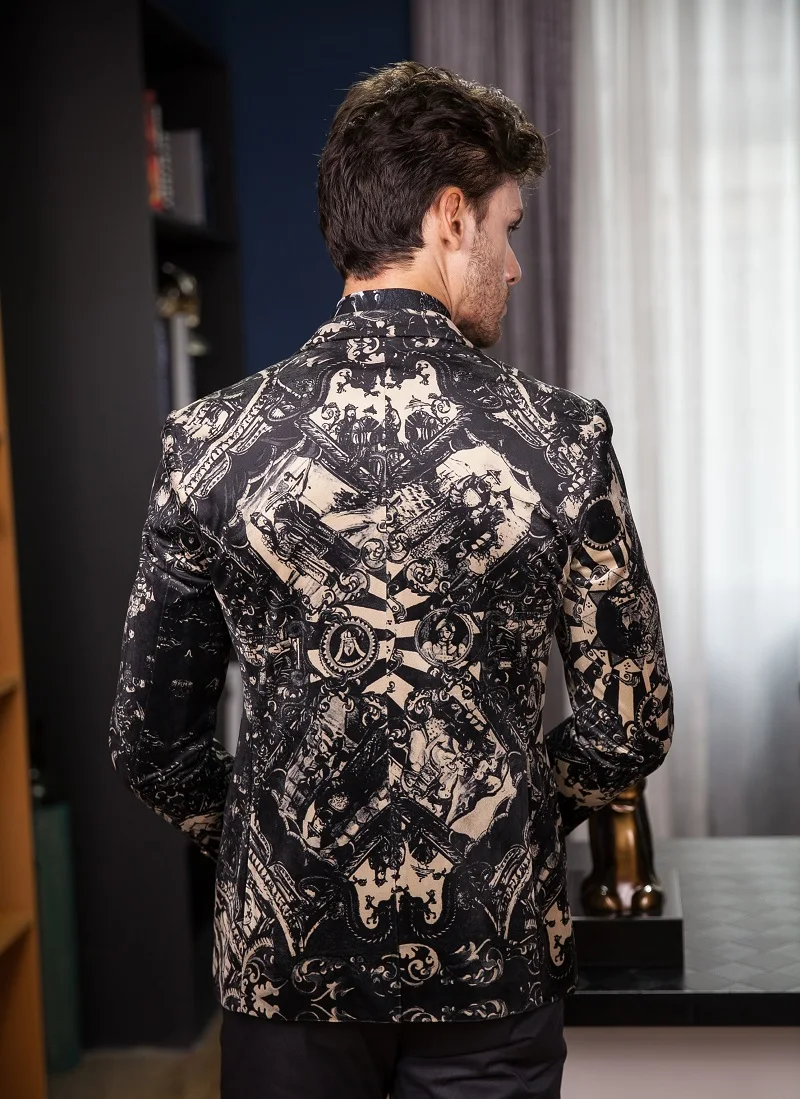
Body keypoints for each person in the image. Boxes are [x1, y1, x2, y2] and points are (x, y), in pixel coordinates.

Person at [109, 60, 674, 1099]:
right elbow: (628, 724)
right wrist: (506, 819)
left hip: (285, 965)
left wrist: (269, 838)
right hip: (492, 958)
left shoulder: (207, 443)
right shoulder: (563, 438)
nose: (513, 267)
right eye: (507, 228)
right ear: (450, 217)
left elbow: (149, 741)